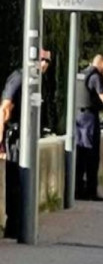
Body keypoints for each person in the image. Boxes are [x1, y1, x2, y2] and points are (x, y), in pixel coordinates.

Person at [1, 50, 51, 239]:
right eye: (42, 60)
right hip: (15, 136)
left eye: (48, 60)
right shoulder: (19, 78)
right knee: (16, 180)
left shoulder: (36, 81)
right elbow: (5, 107)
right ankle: (13, 225)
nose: (45, 64)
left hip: (27, 135)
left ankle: (21, 223)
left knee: (24, 181)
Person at [77, 55, 103, 201]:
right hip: (89, 119)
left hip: (77, 118)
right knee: (92, 157)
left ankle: (77, 189)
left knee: (79, 156)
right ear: (102, 65)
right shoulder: (96, 77)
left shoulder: (80, 75)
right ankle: (91, 191)